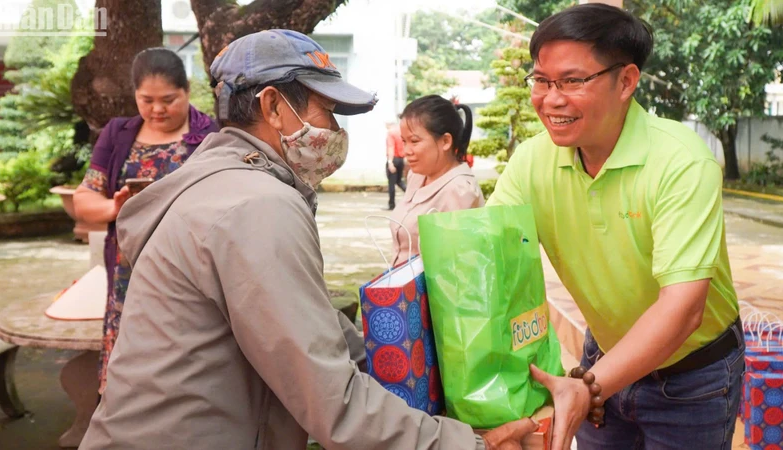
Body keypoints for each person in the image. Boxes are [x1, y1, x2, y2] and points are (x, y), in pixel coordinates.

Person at [80, 30, 537, 450]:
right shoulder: (257, 206)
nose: (336, 132)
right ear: (274, 107)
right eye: (328, 111)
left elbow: (320, 333)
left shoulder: (220, 183)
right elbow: (330, 400)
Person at [487, 4, 742, 450]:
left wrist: (586, 387)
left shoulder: (681, 162)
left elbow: (684, 309)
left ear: (626, 81)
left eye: (571, 81)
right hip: (600, 361)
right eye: (542, 80)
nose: (551, 99)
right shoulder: (531, 161)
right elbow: (484, 253)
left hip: (692, 377)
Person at [72, 48, 218, 394]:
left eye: (169, 99)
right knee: (127, 386)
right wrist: (116, 207)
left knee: (184, 381)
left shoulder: (212, 136)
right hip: (127, 280)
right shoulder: (117, 134)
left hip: (189, 276)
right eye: (146, 99)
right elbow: (84, 200)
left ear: (186, 91)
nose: (157, 109)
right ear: (134, 95)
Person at [390, 95, 484, 267]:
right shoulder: (417, 176)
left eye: (414, 141)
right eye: (404, 142)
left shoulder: (460, 190)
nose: (406, 151)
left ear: (446, 141)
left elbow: (457, 266)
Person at [386, 120, 407, 210]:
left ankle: (392, 204)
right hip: (401, 159)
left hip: (394, 158)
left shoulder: (391, 133)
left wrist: (390, 162)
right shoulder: (401, 132)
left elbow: (391, 147)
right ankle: (411, 195)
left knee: (391, 183)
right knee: (399, 181)